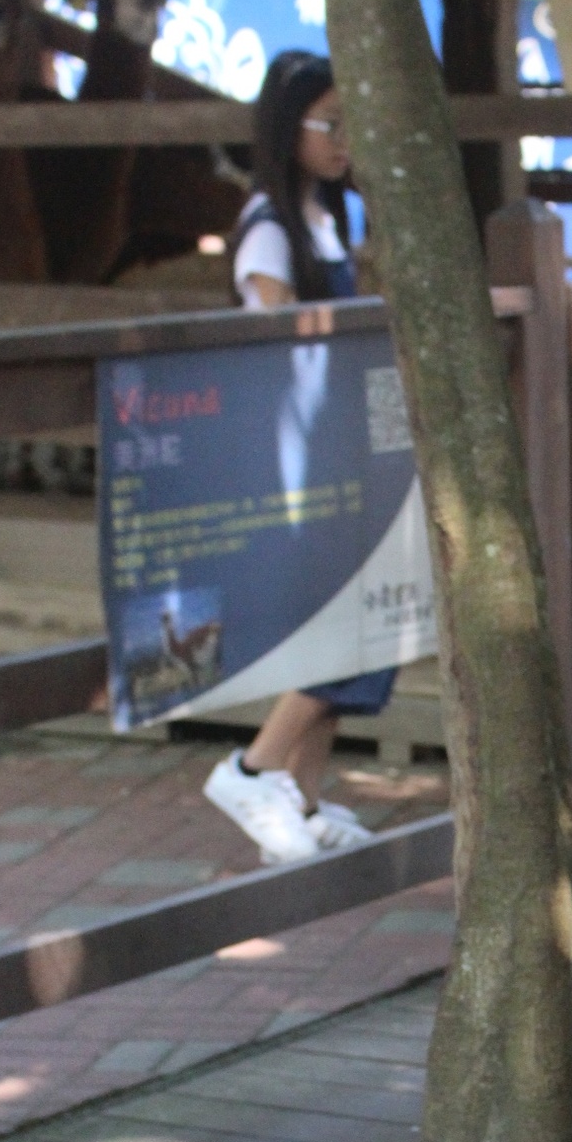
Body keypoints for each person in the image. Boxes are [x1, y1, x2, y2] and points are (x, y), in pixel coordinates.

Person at [201, 51, 386, 866]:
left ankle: (305, 799)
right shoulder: (268, 231)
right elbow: (277, 347)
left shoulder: (327, 220)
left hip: (340, 449)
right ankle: (252, 769)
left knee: (358, 618)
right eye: (329, 124)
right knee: (337, 625)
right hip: (299, 458)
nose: (344, 139)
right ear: (289, 129)